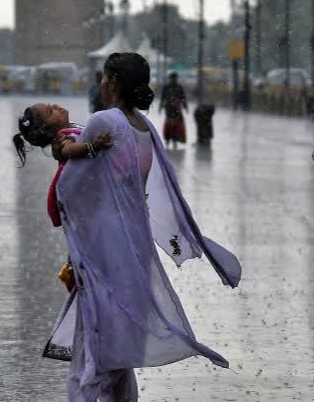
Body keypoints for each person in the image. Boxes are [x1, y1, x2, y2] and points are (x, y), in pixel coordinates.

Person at [49, 52, 242, 401]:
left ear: (112, 83)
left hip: (104, 243)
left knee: (94, 339)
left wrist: (65, 149)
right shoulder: (144, 127)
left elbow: (74, 187)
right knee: (121, 338)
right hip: (135, 244)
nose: (101, 84)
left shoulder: (103, 120)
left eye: (104, 78)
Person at [12, 102, 114, 228]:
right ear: (51, 131)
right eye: (50, 111)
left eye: (50, 105)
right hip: (95, 194)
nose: (55, 106)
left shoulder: (71, 128)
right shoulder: (64, 139)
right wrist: (93, 147)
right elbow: (68, 150)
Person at [159, 72, 188, 148]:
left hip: (176, 108)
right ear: (170, 79)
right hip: (169, 108)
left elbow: (183, 98)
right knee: (169, 123)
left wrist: (185, 106)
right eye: (173, 78)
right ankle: (168, 138)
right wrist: (161, 106)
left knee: (176, 124)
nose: (174, 80)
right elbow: (162, 98)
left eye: (175, 78)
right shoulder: (166, 87)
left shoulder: (179, 87)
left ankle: (174, 139)